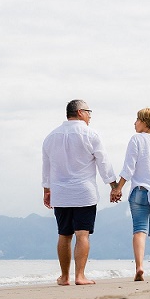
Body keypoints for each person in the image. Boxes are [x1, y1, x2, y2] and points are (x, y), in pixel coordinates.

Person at [42, 99, 120, 285]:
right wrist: (114, 187)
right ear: (79, 112)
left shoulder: (51, 137)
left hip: (60, 193)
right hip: (84, 193)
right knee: (82, 234)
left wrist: (47, 190)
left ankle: (64, 277)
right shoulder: (90, 134)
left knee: (64, 235)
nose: (90, 116)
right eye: (88, 111)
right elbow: (104, 163)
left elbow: (46, 167)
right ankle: (80, 276)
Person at [111, 108, 150, 281]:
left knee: (139, 230)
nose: (134, 123)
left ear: (145, 122)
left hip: (140, 191)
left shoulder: (136, 139)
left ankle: (139, 267)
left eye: (137, 119)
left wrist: (118, 188)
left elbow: (128, 168)